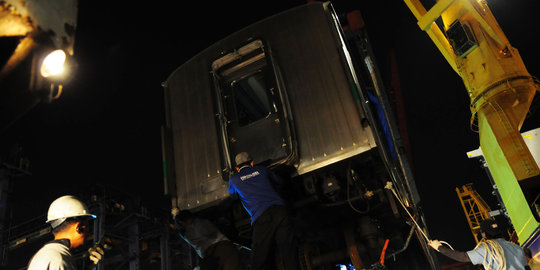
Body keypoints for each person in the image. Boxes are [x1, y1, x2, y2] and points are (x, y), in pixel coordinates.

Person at [228, 152, 299, 270]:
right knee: (289, 252)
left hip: (261, 218)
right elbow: (279, 181)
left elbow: (233, 196)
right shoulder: (262, 170)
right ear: (251, 163)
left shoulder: (234, 180)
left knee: (259, 260)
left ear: (236, 168)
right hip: (280, 211)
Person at [28, 195, 104, 270]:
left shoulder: (50, 255)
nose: (88, 233)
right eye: (88, 226)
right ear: (79, 228)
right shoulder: (58, 259)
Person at [428, 218, 529, 270]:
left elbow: (462, 257)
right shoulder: (516, 247)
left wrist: (439, 247)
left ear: (484, 234)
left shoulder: (487, 249)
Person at [172, 208, 242, 270]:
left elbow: (179, 229)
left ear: (183, 222)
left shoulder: (189, 232)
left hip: (213, 251)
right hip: (226, 246)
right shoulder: (202, 222)